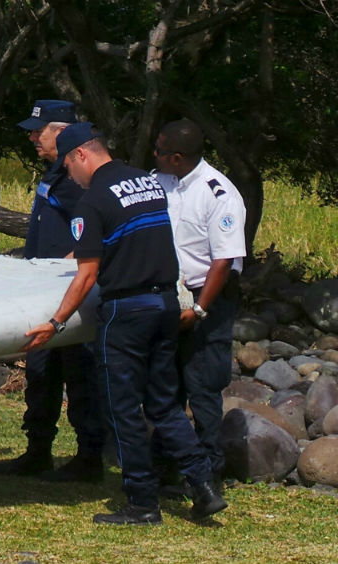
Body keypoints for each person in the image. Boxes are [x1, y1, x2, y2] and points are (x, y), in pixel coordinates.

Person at [23, 122, 228, 525]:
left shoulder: (93, 200)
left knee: (123, 410)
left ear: (81, 154)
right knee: (165, 403)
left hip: (126, 312)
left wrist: (55, 322)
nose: (71, 178)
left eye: (68, 167)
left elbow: (85, 275)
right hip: (166, 304)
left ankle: (142, 502)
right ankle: (203, 486)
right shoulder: (147, 182)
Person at [0, 100, 106, 481]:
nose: (32, 138)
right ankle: (38, 450)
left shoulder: (76, 179)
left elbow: (91, 234)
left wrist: (67, 269)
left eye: (38, 131)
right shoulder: (56, 174)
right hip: (41, 295)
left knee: (79, 376)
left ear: (62, 131)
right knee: (41, 376)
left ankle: (89, 456)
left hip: (67, 295)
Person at [153, 119, 246, 484]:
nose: (153, 155)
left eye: (159, 150)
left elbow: (223, 261)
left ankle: (209, 471)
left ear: (177, 157)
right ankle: (167, 464)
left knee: (203, 385)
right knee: (166, 383)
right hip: (166, 293)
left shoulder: (218, 193)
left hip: (206, 296)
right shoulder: (159, 181)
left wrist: (200, 309)